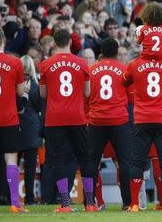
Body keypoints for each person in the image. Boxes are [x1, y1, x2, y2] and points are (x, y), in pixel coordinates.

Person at [123, 3, 162, 211]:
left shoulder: (134, 65)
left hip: (141, 119)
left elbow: (123, 82)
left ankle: (133, 204)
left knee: (137, 162)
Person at [39, 29, 96, 212]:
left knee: (58, 160)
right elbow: (87, 92)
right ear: (70, 42)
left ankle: (64, 204)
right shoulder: (82, 63)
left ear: (54, 43)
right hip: (77, 117)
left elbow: (43, 94)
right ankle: (90, 203)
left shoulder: (46, 64)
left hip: (54, 119)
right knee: (85, 158)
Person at [88, 38, 132, 210]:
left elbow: (87, 94)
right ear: (116, 51)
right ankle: (127, 202)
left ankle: (91, 202)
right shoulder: (124, 69)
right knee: (124, 162)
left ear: (101, 51)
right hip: (119, 120)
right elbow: (131, 97)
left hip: (96, 120)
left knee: (92, 162)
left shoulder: (91, 70)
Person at [0, 26, 27, 213]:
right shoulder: (15, 62)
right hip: (8, 119)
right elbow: (20, 92)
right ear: (3, 41)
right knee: (11, 159)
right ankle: (15, 204)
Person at [18, 55, 42, 205]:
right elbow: (39, 107)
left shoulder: (16, 84)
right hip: (32, 129)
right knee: (30, 167)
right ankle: (30, 198)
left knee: (10, 163)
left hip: (15, 127)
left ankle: (7, 196)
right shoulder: (34, 85)